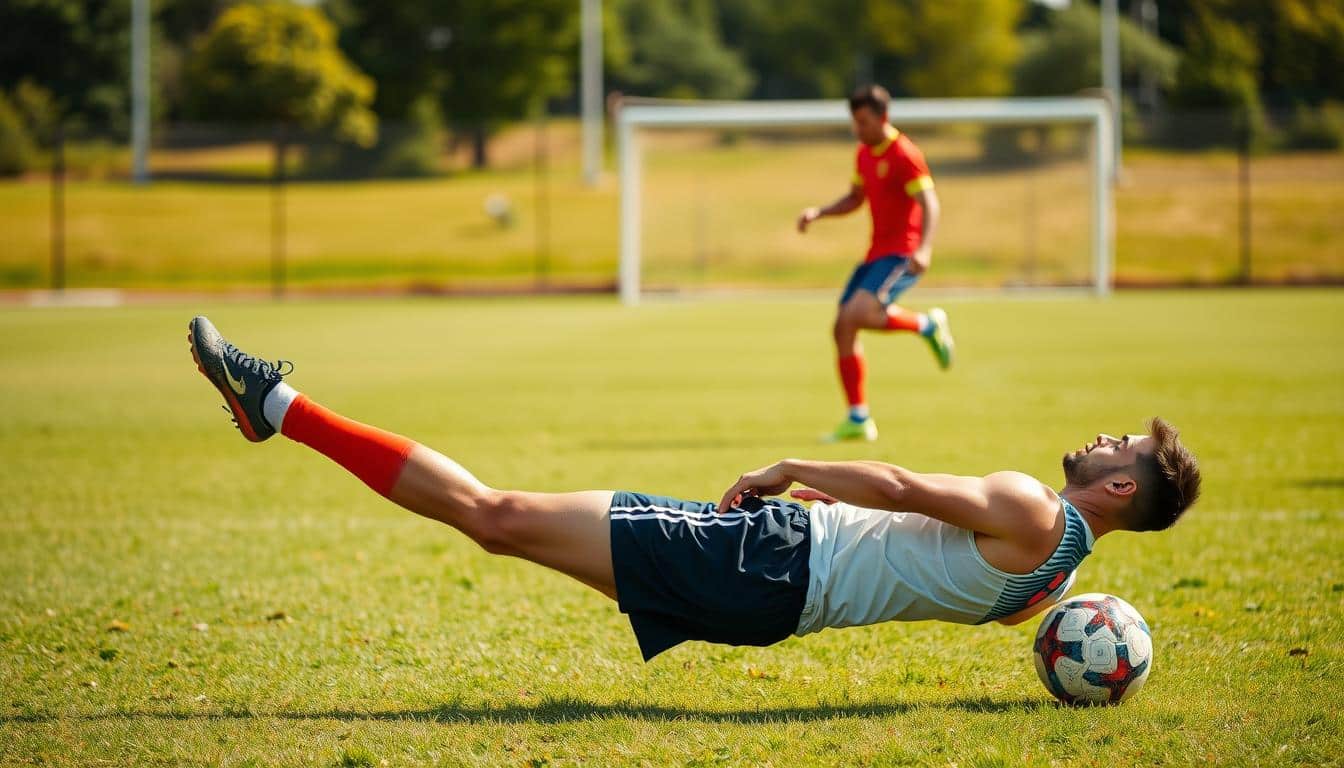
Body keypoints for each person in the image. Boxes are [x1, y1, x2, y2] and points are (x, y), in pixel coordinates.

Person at [188, 316, 1201, 663]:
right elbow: (918, 561)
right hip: (770, 600)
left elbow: (900, 482)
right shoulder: (1044, 587)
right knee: (498, 528)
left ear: (1119, 484)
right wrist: (840, 523)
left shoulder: (1036, 507)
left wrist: (793, 469)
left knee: (493, 514)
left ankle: (274, 402)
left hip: (764, 559)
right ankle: (275, 409)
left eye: (1121, 444)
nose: (1105, 434)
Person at [798, 84, 954, 442]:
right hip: (874, 253)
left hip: (902, 251)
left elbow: (931, 203)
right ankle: (858, 417)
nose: (858, 130)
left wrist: (925, 248)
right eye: (855, 122)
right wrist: (819, 212)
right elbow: (856, 198)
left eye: (864, 122)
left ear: (883, 117)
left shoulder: (905, 154)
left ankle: (926, 325)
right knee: (842, 327)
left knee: (856, 314)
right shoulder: (864, 154)